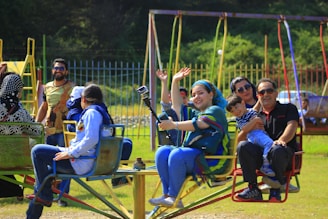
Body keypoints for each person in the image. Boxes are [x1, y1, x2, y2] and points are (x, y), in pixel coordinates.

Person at [25, 84, 112, 219]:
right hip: (83, 158)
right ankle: (38, 203)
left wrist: (71, 153)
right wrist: (69, 151)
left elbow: (91, 138)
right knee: (43, 180)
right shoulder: (100, 111)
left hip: (80, 161)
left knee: (37, 151)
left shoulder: (91, 113)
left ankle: (43, 196)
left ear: (83, 99)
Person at [148, 67, 228, 208]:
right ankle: (167, 195)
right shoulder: (195, 112)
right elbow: (177, 106)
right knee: (163, 151)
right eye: (194, 94)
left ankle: (174, 196)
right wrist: (174, 81)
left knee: (178, 154)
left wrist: (173, 124)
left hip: (211, 160)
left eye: (200, 93)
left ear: (211, 94)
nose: (196, 97)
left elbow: (199, 124)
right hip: (194, 157)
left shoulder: (216, 111)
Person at [230, 76, 299, 193]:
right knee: (242, 146)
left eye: (269, 91)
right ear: (258, 96)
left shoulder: (288, 108)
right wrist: (251, 125)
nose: (266, 94)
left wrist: (281, 140)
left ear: (276, 93)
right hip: (261, 158)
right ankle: (253, 188)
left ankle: (277, 180)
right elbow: (240, 139)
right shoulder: (252, 115)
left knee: (276, 149)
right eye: (262, 92)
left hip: (283, 154)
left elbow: (292, 126)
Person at [66, 85, 133, 188]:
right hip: (89, 149)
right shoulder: (88, 112)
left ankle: (118, 177)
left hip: (92, 147)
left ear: (83, 99)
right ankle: (117, 177)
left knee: (127, 142)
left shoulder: (92, 110)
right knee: (125, 143)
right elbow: (90, 136)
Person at [35, 58, 74, 207]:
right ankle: (46, 193)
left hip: (64, 130)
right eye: (56, 68)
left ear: (66, 71)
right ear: (52, 71)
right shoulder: (48, 87)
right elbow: (44, 107)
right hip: (49, 130)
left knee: (66, 162)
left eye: (61, 68)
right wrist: (37, 124)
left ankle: (64, 196)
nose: (58, 70)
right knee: (45, 161)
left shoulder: (71, 87)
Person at [0, 73, 41, 200]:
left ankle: (14, 190)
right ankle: (15, 190)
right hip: (14, 159)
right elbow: (36, 131)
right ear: (17, 89)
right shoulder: (20, 110)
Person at [226, 94, 275, 176]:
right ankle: (265, 165)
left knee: (268, 147)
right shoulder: (239, 119)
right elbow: (245, 129)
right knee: (269, 143)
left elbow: (256, 108)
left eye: (236, 107)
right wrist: (255, 121)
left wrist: (260, 98)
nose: (236, 111)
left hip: (261, 133)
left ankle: (269, 165)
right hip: (253, 135)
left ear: (243, 103)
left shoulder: (250, 111)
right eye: (232, 111)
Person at [156, 69, 191, 145]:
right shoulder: (172, 112)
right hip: (173, 143)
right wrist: (164, 82)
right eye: (179, 98)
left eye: (184, 98)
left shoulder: (191, 111)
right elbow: (165, 103)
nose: (182, 100)